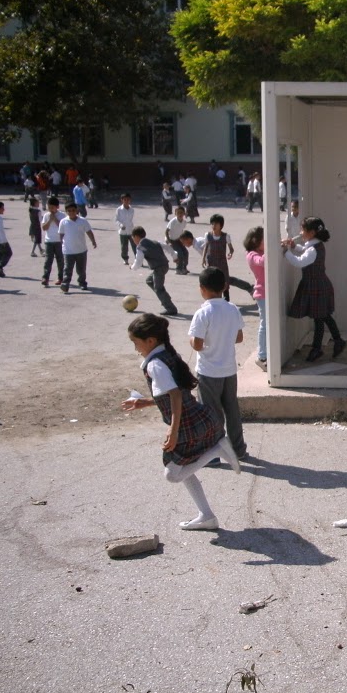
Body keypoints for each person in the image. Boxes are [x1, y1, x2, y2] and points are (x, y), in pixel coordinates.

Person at [122, 313, 239, 531]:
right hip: (198, 417)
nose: (136, 348)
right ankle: (207, 516)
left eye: (136, 343)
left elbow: (175, 395)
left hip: (188, 425)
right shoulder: (166, 355)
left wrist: (173, 432)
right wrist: (144, 403)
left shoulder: (155, 364)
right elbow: (171, 394)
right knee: (186, 469)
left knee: (173, 474)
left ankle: (216, 451)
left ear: (150, 341)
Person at [189, 267, 248, 461]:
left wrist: (195, 341)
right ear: (224, 287)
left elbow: (197, 345)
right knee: (232, 410)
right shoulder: (232, 309)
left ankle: (212, 455)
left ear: (202, 289)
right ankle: (239, 450)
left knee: (211, 414)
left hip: (208, 371)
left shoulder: (202, 313)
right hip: (229, 370)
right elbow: (239, 338)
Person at [283, 217, 346, 362]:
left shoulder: (312, 249)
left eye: (302, 230)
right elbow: (303, 251)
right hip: (317, 285)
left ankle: (319, 348)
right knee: (322, 317)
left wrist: (286, 252)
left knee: (320, 318)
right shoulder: (314, 245)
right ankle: (334, 342)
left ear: (311, 233)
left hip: (316, 286)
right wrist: (293, 246)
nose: (300, 232)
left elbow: (300, 262)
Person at [179, 230, 255, 296]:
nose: (183, 244)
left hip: (216, 263)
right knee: (223, 281)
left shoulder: (197, 244)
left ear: (188, 239)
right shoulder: (197, 241)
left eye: (183, 242)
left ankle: (249, 288)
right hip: (214, 263)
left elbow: (209, 250)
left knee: (226, 280)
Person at [130, 226, 178, 316]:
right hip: (164, 265)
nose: (133, 240)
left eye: (133, 238)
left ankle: (170, 308)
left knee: (158, 289)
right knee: (149, 280)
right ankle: (165, 297)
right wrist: (174, 256)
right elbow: (167, 247)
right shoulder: (154, 242)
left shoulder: (140, 247)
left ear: (136, 236)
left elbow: (138, 261)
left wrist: (132, 267)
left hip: (158, 268)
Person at [58, 201, 97, 293]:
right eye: (69, 211)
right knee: (67, 269)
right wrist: (60, 244)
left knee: (81, 269)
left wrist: (93, 241)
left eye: (73, 210)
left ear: (77, 210)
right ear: (66, 212)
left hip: (81, 250)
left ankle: (82, 283)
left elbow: (89, 232)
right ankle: (65, 284)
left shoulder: (82, 221)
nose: (71, 212)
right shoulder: (63, 222)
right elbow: (61, 234)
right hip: (68, 251)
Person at [244, 227, 268, 370]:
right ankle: (262, 355)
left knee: (268, 325)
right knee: (264, 325)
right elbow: (263, 262)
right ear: (255, 240)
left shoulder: (260, 252)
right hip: (262, 294)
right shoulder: (252, 254)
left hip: (266, 293)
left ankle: (265, 353)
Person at [202, 213, 235, 301]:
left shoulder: (226, 236)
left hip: (222, 262)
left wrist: (230, 253)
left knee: (225, 282)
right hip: (211, 262)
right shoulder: (207, 235)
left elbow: (231, 248)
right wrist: (203, 259)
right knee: (211, 281)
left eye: (216, 224)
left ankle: (226, 301)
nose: (214, 226)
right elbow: (206, 247)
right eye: (212, 223)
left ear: (221, 225)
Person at [40, 196, 65, 287]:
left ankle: (60, 277)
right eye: (49, 207)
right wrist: (50, 220)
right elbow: (44, 228)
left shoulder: (62, 215)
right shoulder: (46, 215)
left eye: (52, 207)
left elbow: (63, 228)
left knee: (60, 260)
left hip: (59, 241)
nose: (50, 209)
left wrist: (55, 219)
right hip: (49, 241)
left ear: (57, 207)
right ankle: (45, 278)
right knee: (48, 260)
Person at [166, 206, 190, 274]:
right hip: (172, 240)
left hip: (179, 240)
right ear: (175, 213)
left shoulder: (184, 222)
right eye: (178, 213)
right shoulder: (173, 221)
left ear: (184, 214)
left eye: (181, 213)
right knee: (179, 254)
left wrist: (183, 240)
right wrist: (169, 241)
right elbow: (166, 231)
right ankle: (178, 269)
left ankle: (184, 268)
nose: (180, 214)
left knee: (186, 252)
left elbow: (181, 231)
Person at [114, 193, 136, 265]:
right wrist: (120, 225)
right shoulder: (119, 210)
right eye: (125, 200)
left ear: (130, 200)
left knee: (135, 245)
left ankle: (137, 259)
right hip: (123, 232)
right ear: (122, 200)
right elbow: (116, 220)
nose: (126, 201)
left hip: (131, 230)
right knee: (124, 247)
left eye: (128, 199)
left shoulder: (132, 209)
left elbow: (131, 220)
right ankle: (125, 259)